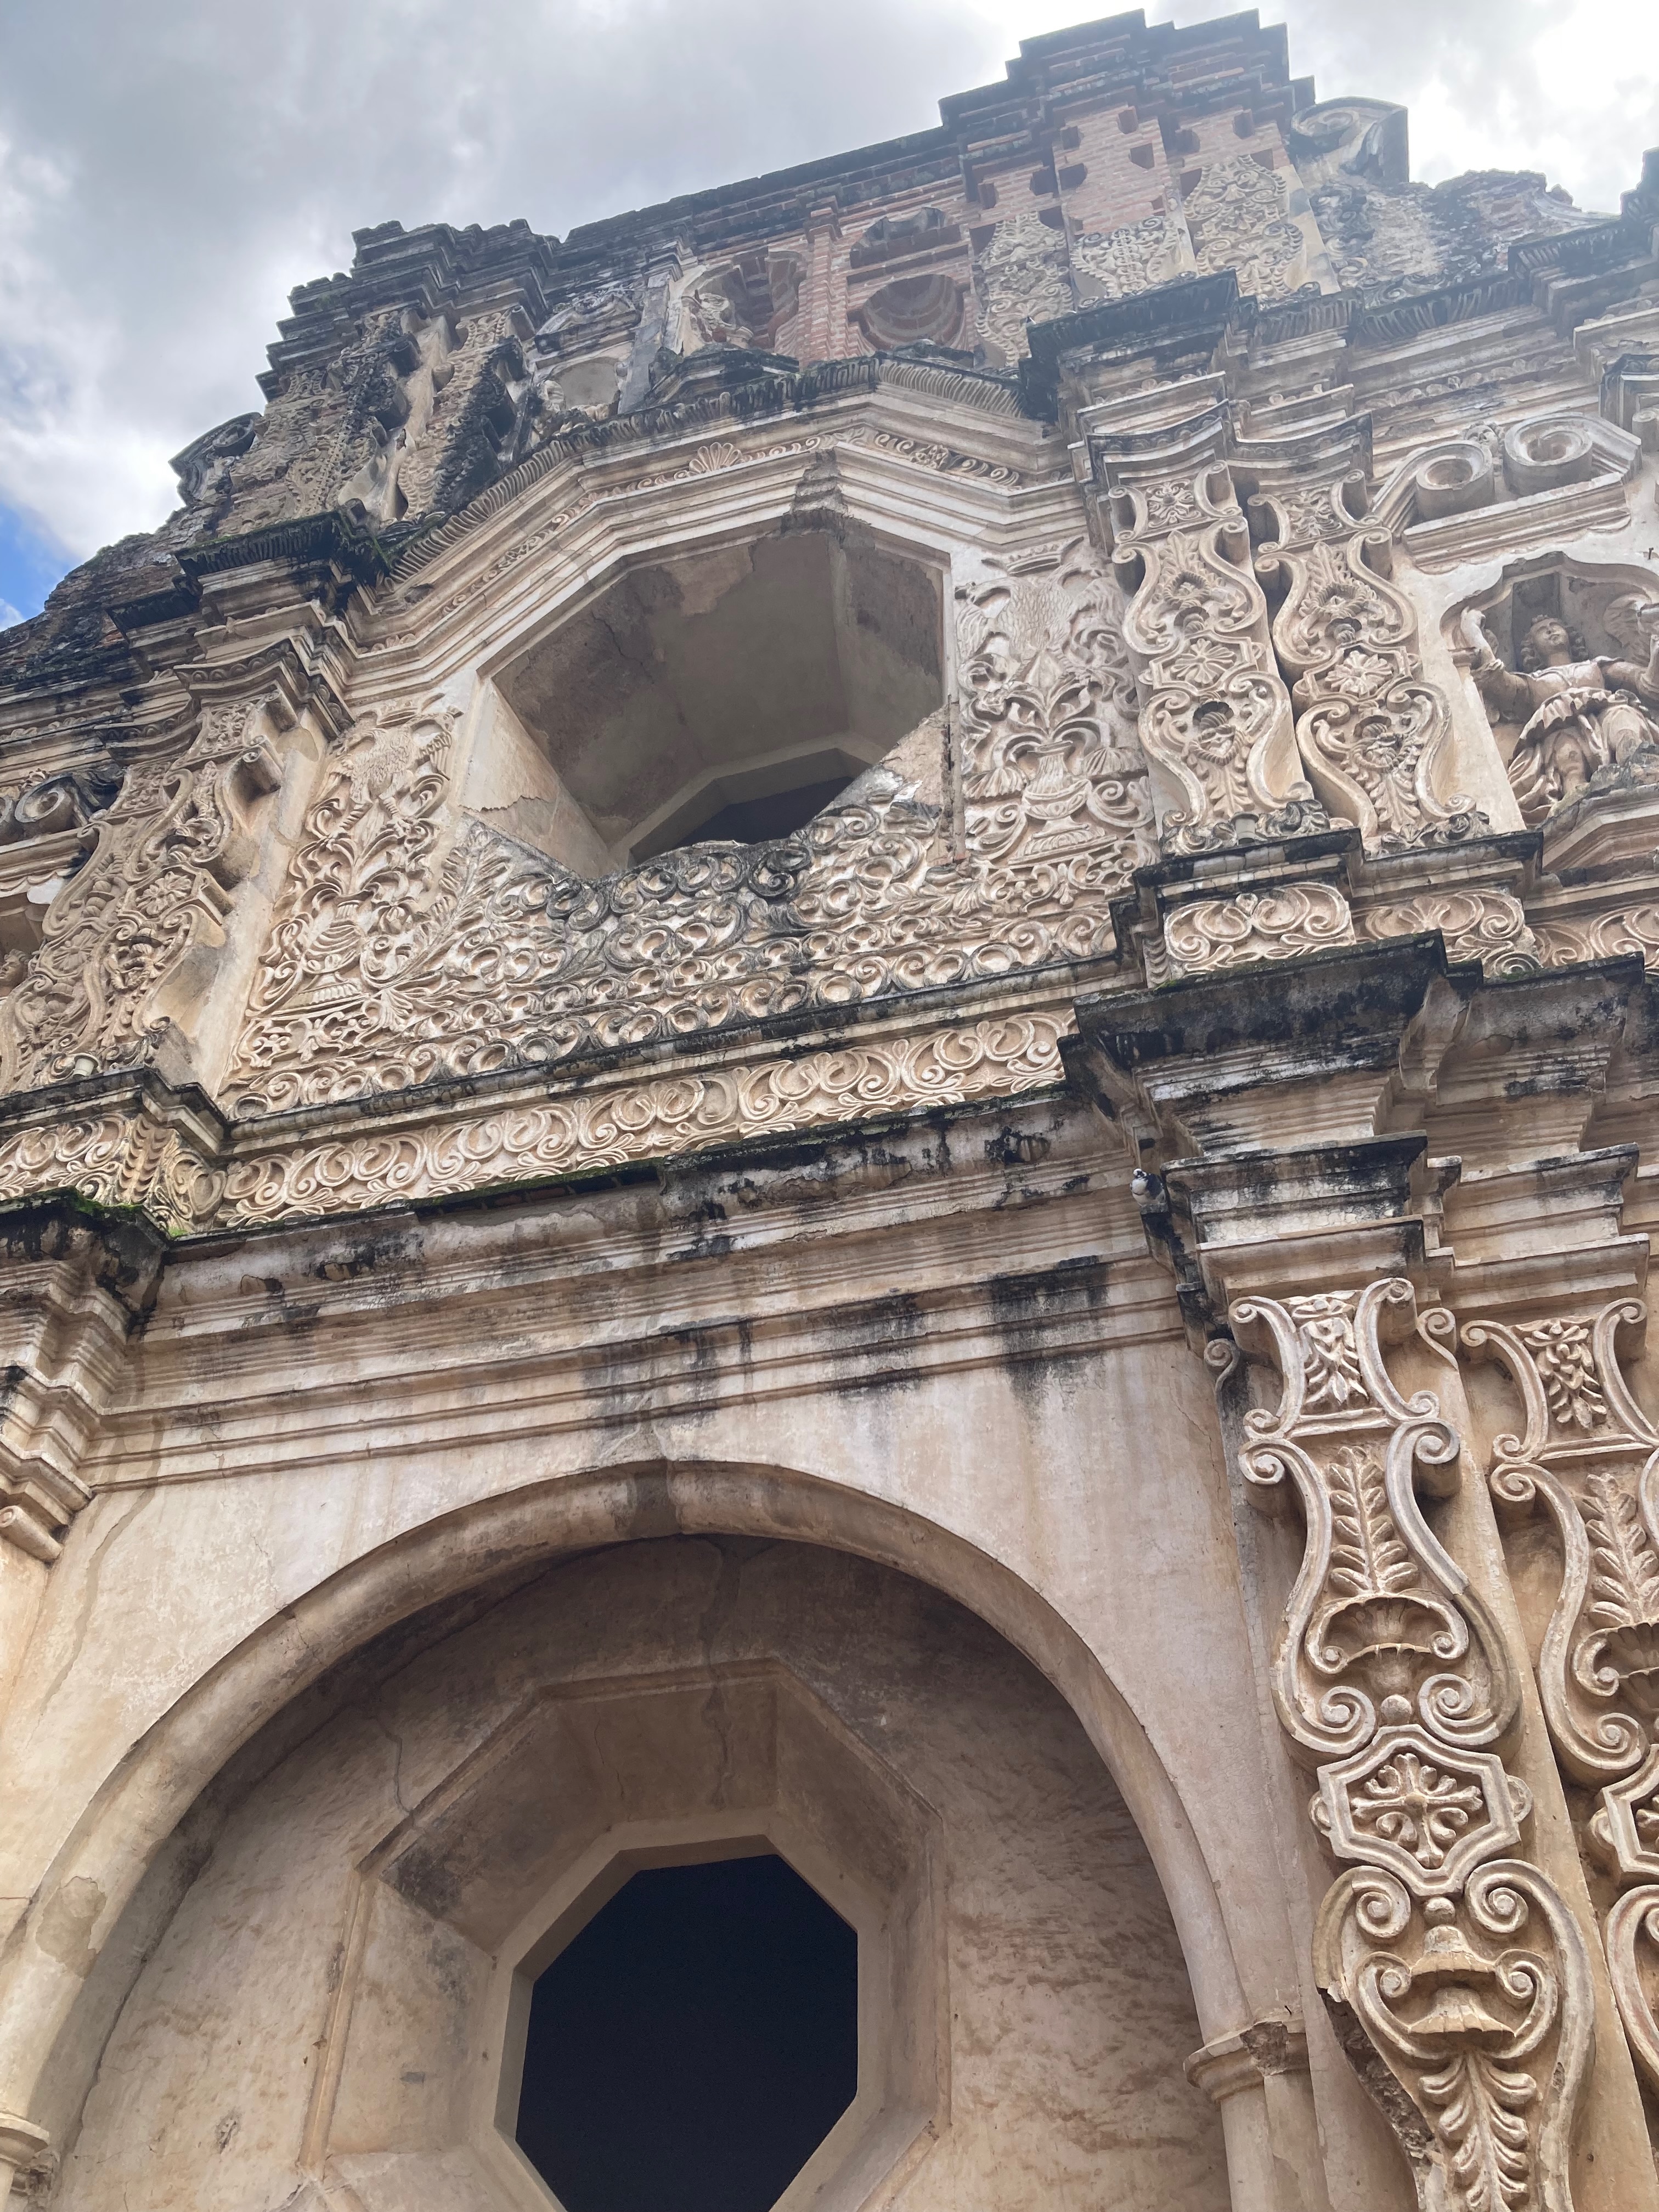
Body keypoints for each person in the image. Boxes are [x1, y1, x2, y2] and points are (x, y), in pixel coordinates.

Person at [1470, 595, 1659, 825]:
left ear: (1570, 634)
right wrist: (1474, 633)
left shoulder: (1597, 666)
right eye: (1542, 631)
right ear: (1532, 648)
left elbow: (1646, 684)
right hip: (1559, 729)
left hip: (1606, 710)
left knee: (1625, 721)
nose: (1551, 631)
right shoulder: (1532, 682)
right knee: (1568, 757)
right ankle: (1574, 798)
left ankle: (1641, 768)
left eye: (1555, 626)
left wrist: (1656, 656)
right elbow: (1496, 679)